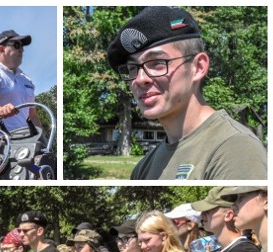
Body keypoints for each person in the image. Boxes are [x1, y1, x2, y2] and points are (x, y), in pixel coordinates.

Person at [106, 6, 266, 180]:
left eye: (157, 63)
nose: (139, 78)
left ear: (198, 67)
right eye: (132, 68)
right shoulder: (144, 168)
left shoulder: (235, 149)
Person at [0, 30, 42, 133]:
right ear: (1, 49)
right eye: (17, 45)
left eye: (22, 47)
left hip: (24, 144)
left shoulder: (26, 80)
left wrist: (41, 140)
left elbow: (32, 114)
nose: (22, 50)